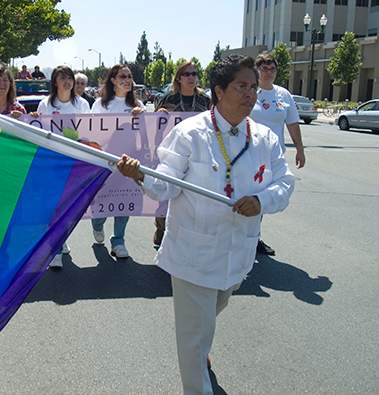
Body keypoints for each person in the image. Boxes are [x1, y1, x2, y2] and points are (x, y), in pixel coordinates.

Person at [117, 54, 294, 395]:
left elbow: (284, 184)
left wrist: (261, 201)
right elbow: (166, 182)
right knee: (193, 336)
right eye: (241, 86)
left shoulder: (265, 139)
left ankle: (200, 348)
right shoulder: (190, 134)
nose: (250, 94)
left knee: (212, 313)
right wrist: (141, 175)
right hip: (193, 257)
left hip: (237, 256)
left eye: (254, 87)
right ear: (219, 91)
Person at [30, 65, 91, 268]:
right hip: (51, 162)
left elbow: (89, 132)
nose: (67, 82)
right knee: (53, 206)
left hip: (74, 162)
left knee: (67, 205)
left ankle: (61, 239)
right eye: (62, 78)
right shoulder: (45, 104)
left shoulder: (82, 104)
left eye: (70, 78)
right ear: (54, 82)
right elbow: (39, 130)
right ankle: (55, 249)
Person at [151, 61, 212, 249]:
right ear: (178, 77)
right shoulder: (167, 99)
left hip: (198, 154)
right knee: (166, 192)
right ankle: (161, 229)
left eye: (194, 74)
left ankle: (187, 233)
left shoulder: (205, 101)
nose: (191, 77)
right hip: (172, 152)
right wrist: (159, 116)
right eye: (187, 74)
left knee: (191, 196)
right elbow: (155, 127)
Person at [250, 53, 305, 256]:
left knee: (263, 196)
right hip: (249, 153)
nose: (268, 72)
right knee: (248, 193)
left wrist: (300, 149)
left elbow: (292, 123)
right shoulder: (250, 91)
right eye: (264, 68)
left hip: (273, 157)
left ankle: (254, 237)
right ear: (256, 71)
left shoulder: (283, 95)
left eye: (272, 68)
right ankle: (245, 237)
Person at [90, 64, 145, 259]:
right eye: (123, 76)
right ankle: (97, 224)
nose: (128, 80)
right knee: (102, 199)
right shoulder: (100, 105)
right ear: (112, 80)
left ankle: (118, 240)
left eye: (130, 76)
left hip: (128, 160)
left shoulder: (138, 105)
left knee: (125, 199)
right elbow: (92, 133)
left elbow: (146, 133)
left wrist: (144, 118)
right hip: (105, 162)